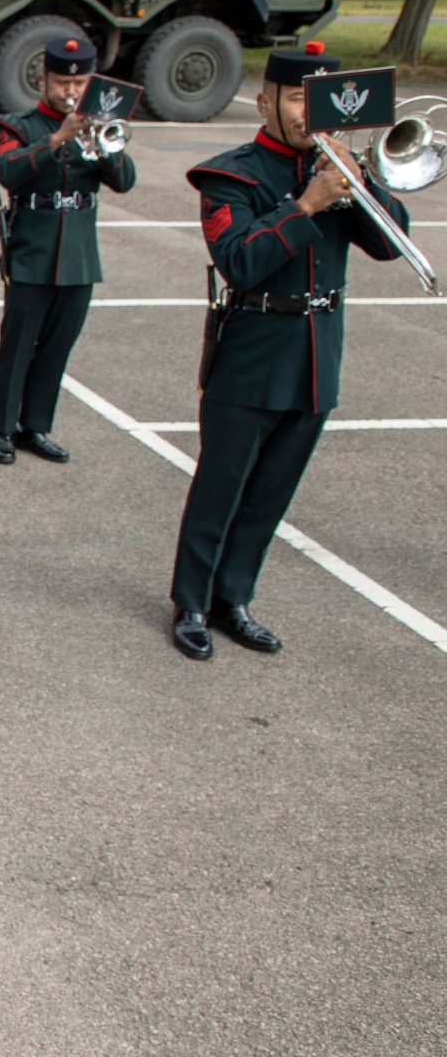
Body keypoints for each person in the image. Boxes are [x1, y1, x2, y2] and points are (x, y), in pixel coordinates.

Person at [167, 42, 413, 660]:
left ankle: (234, 599)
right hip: (252, 349)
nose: (311, 114)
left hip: (316, 353)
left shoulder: (340, 169)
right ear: (266, 101)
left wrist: (366, 186)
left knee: (274, 489)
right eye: (301, 98)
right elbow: (241, 261)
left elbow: (389, 248)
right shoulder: (232, 175)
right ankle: (192, 601)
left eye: (322, 102)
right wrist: (306, 205)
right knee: (222, 485)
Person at [0, 35, 133, 464]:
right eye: (62, 83)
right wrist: (55, 141)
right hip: (32, 250)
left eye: (79, 84)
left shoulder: (98, 126)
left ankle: (36, 426)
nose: (70, 91)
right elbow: (7, 171)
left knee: (57, 345)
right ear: (43, 80)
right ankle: (3, 427)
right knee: (18, 345)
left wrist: (104, 144)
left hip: (79, 256)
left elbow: (125, 181)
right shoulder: (19, 125)